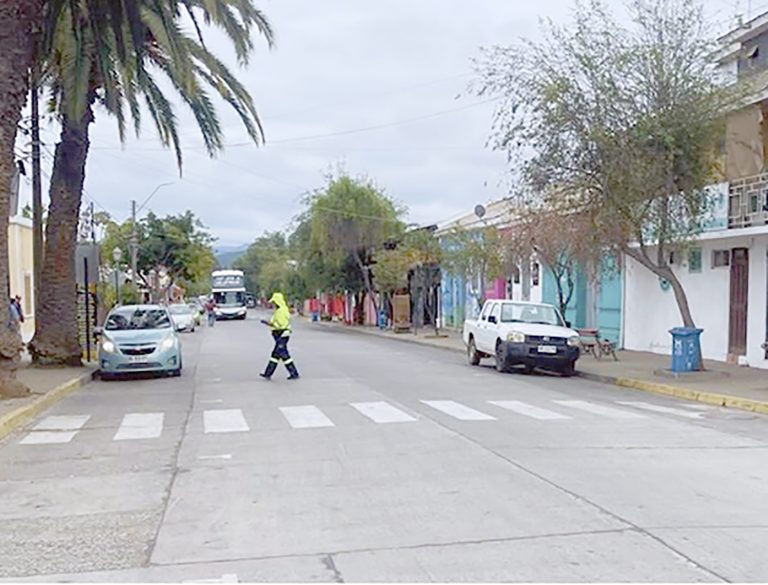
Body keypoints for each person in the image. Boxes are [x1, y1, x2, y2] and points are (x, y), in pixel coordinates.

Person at [259, 291, 300, 381]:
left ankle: (294, 373)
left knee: (284, 354)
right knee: (275, 355)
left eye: (274, 302)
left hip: (282, 334)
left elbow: (280, 325)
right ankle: (268, 373)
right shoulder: (279, 310)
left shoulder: (281, 311)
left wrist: (269, 324)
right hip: (279, 334)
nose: (273, 304)